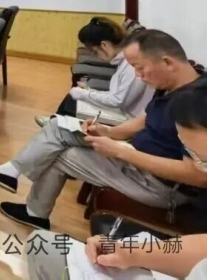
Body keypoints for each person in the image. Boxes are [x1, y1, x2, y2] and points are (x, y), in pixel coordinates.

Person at [0, 30, 206, 230]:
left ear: (167, 62)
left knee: (59, 154)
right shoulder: (172, 85)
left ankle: (33, 211)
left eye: (139, 67)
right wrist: (107, 132)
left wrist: (120, 151)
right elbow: (141, 122)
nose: (138, 75)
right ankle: (13, 176)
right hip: (137, 159)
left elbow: (198, 175)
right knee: (57, 127)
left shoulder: (193, 103)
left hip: (160, 186)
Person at [27, 77, 207, 280]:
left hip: (155, 182)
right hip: (138, 166)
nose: (140, 76)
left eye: (201, 160)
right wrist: (131, 252)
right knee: (40, 245)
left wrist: (121, 152)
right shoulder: (179, 96)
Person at [35, 17, 154, 126]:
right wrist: (89, 91)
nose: (97, 56)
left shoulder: (131, 65)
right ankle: (55, 122)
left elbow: (117, 101)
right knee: (74, 96)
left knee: (75, 100)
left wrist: (86, 94)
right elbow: (117, 95)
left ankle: (56, 126)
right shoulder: (123, 61)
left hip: (129, 119)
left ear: (104, 45)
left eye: (95, 52)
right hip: (123, 110)